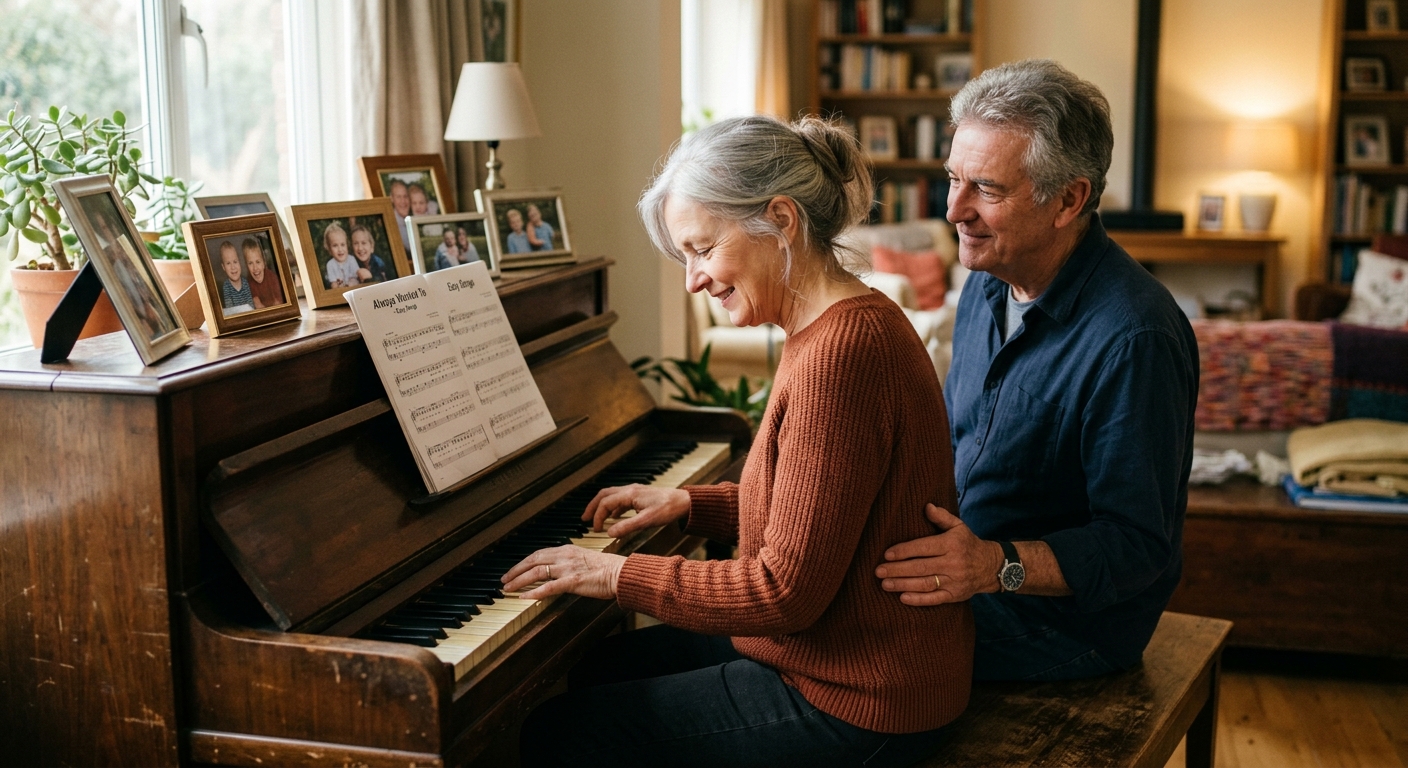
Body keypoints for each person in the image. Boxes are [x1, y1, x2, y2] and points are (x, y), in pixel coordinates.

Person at [503, 115, 973, 768]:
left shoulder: (843, 353)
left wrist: (613, 572)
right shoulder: (828, 322)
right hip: (833, 652)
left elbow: (783, 592)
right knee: (599, 666)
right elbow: (822, 509)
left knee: (560, 731)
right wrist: (692, 506)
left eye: (701, 248)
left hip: (860, 696)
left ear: (781, 219)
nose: (692, 278)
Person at [873, 59, 1199, 682]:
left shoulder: (1137, 337)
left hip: (1065, 625)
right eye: (953, 180)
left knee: (832, 639)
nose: (954, 211)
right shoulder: (985, 284)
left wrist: (991, 566)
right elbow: (949, 444)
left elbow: (1137, 545)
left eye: (987, 190)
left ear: (1069, 199)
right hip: (968, 575)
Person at [243, 238, 285, 310]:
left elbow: (279, 302)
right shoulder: (249, 283)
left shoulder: (272, 277)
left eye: (258, 262)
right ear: (247, 266)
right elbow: (257, 304)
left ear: (264, 263)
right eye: (250, 263)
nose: (255, 268)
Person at [217, 240, 254, 314]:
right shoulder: (226, 286)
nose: (233, 267)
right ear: (223, 267)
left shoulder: (245, 283)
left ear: (239, 262)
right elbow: (230, 310)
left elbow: (251, 306)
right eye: (228, 263)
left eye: (235, 262)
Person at [322, 222, 359, 289]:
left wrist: (350, 285)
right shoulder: (330, 264)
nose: (340, 249)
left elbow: (356, 278)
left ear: (347, 245)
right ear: (329, 248)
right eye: (335, 245)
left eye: (342, 245)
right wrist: (338, 287)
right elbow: (333, 284)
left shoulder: (351, 260)